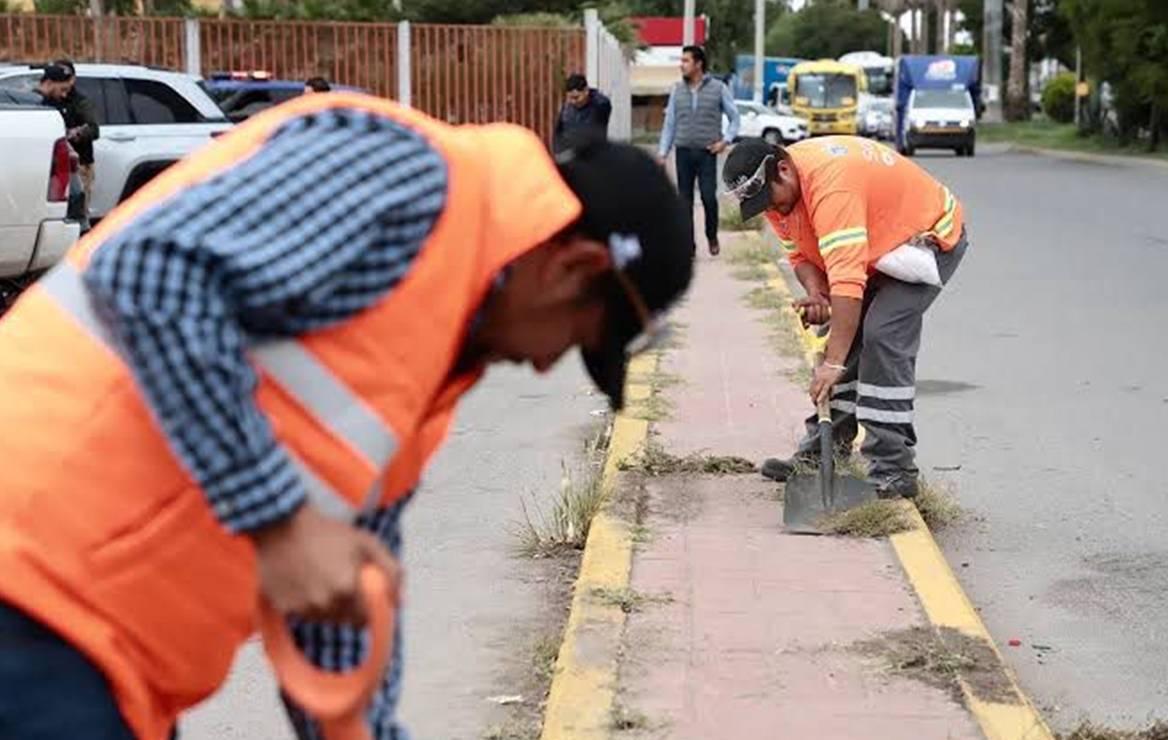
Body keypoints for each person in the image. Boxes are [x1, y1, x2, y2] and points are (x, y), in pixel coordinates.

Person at [0, 94, 693, 739]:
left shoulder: (437, 352)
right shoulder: (409, 176)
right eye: (577, 340)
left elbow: (341, 595)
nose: (546, 365)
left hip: (105, 661)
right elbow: (151, 275)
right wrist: (278, 521)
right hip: (30, 587)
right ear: (571, 267)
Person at [722, 136, 968, 498]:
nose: (771, 210)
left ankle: (894, 468)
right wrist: (817, 293)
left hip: (923, 240)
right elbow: (800, 257)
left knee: (881, 334)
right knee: (844, 335)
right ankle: (825, 452)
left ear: (784, 169)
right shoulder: (778, 196)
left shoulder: (831, 188)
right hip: (878, 247)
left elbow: (849, 282)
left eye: (770, 200)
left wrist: (832, 364)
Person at [657, 44, 739, 256]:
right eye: (681, 61)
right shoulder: (677, 90)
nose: (681, 65)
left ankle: (711, 236)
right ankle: (689, 245)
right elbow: (670, 123)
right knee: (684, 201)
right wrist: (662, 153)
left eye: (686, 61)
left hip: (707, 153)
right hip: (683, 151)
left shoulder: (718, 88)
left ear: (698, 64)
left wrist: (725, 141)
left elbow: (734, 118)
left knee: (708, 197)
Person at [52, 60, 101, 214]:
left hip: (79, 165)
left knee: (79, 213)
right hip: (56, 165)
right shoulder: (51, 98)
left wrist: (74, 134)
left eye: (65, 79)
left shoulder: (80, 102)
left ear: (73, 79)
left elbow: (93, 129)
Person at [552, 73, 612, 153]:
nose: (573, 101)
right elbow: (558, 132)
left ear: (586, 91)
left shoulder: (599, 105)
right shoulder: (566, 109)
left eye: (576, 98)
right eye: (570, 98)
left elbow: (604, 103)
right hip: (570, 156)